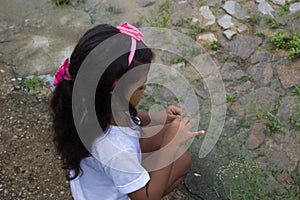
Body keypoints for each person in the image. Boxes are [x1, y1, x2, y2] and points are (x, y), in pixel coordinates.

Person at [51, 23, 205, 200]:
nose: (145, 87)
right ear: (113, 91)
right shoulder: (115, 150)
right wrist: (170, 144)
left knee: (171, 143)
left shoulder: (88, 101)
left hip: (96, 185)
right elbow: (147, 197)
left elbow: (130, 119)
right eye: (140, 86)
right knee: (181, 161)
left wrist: (159, 117)